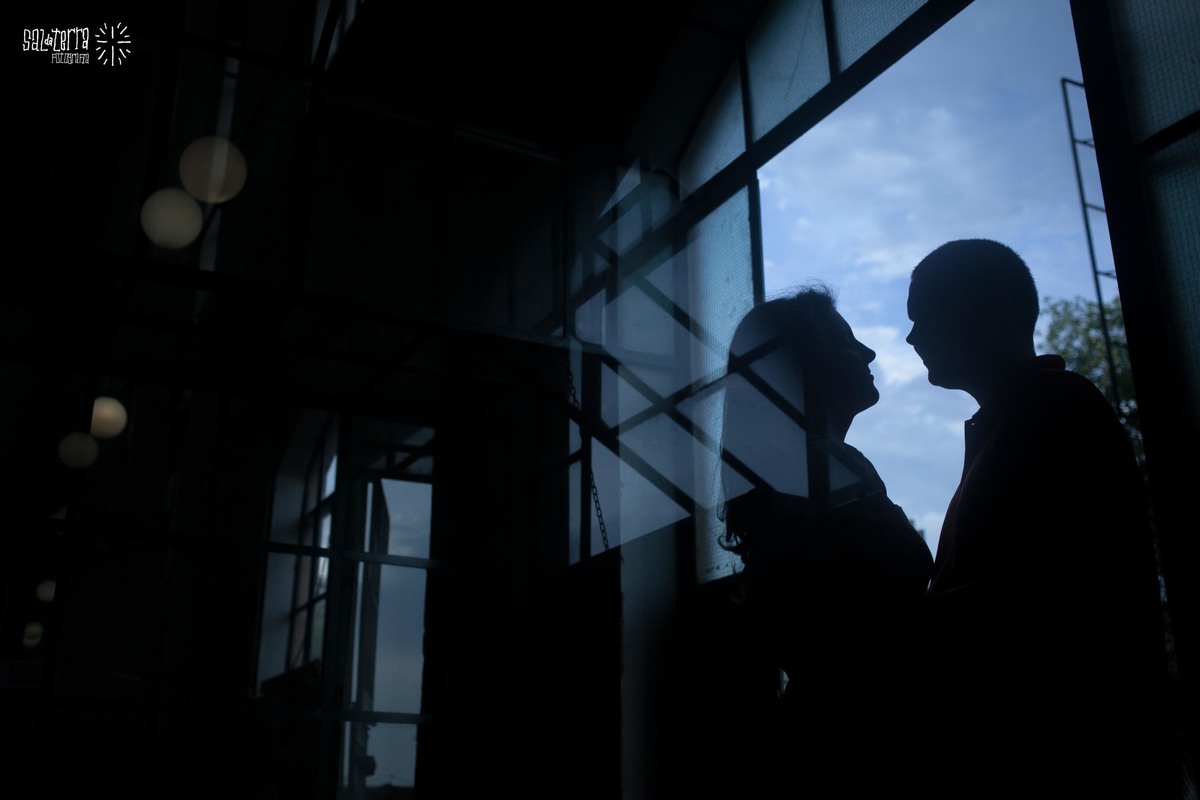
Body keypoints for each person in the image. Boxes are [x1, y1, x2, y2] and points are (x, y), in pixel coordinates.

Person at [907, 239, 1174, 798]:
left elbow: (1041, 592)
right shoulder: (1023, 416)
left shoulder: (1054, 407)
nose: (913, 338)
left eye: (925, 317)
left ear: (994, 308)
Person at [720, 286, 933, 793]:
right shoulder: (821, 467)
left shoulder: (800, 470)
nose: (869, 352)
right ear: (803, 366)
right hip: (859, 747)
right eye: (846, 342)